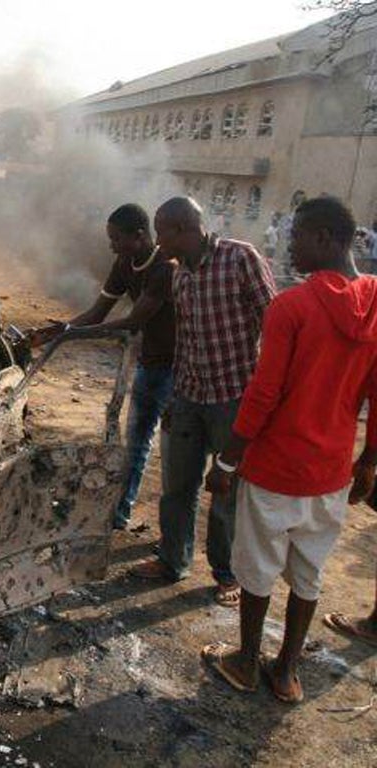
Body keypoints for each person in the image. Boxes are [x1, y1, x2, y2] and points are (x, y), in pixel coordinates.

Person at [200, 196, 377, 703]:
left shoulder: (292, 306)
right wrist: (368, 461)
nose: (289, 244)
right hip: (331, 473)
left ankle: (245, 662)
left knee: (257, 569)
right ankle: (287, 672)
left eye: (297, 234)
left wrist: (228, 459)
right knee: (308, 573)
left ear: (324, 237)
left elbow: (263, 394)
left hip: (276, 468)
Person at [131, 197, 276, 607]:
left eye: (161, 232)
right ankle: (173, 559)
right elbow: (187, 342)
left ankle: (226, 572)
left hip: (234, 398)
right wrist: (175, 398)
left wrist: (263, 397)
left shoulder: (240, 259)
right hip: (190, 397)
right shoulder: (179, 276)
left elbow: (275, 325)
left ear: (180, 229)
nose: (158, 242)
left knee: (226, 492)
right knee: (177, 485)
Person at [31, 203, 177, 530]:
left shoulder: (165, 269)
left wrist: (74, 334)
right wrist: (59, 331)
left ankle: (170, 537)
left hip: (178, 371)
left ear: (139, 236)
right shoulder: (125, 261)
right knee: (136, 444)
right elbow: (97, 313)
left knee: (175, 459)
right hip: (149, 364)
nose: (111, 245)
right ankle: (119, 514)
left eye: (116, 239)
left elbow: (133, 321)